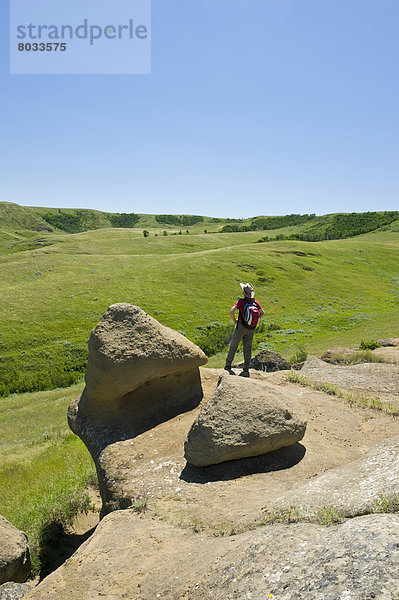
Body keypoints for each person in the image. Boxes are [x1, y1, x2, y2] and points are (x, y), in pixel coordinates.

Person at [224, 282, 265, 377]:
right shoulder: (255, 302)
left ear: (243, 292)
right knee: (248, 348)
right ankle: (246, 368)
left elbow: (231, 311)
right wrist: (255, 320)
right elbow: (262, 313)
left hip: (240, 327)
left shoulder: (241, 302)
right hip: (251, 328)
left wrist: (235, 320)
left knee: (234, 346)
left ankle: (228, 365)